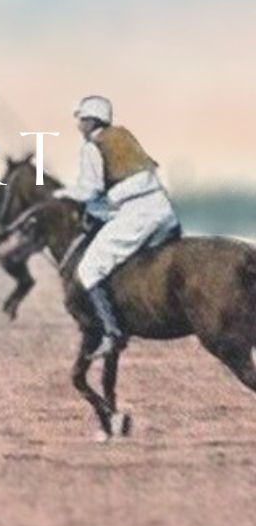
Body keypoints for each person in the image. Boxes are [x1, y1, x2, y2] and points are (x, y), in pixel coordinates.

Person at [55, 95, 180, 360]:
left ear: (92, 121)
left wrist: (63, 194)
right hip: (163, 209)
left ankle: (112, 334)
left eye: (82, 120)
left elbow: (90, 190)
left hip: (138, 214)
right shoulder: (123, 135)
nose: (79, 125)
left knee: (88, 270)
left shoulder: (92, 147)